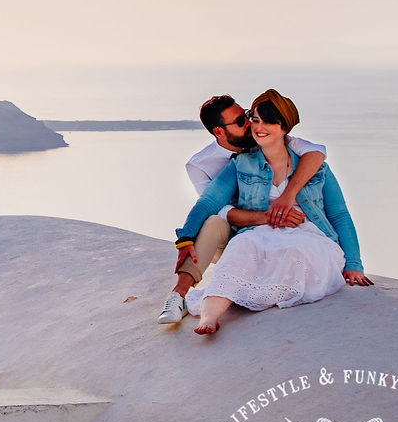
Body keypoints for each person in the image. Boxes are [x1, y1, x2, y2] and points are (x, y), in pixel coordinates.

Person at [174, 89, 372, 338]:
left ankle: (260, 292)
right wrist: (185, 238)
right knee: (242, 246)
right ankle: (209, 315)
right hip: (257, 231)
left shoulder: (315, 166)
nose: (257, 127)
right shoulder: (240, 163)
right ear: (220, 131)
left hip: (308, 234)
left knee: (295, 250)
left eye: (268, 121)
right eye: (255, 120)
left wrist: (354, 264)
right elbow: (208, 203)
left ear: (284, 128)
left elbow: (340, 214)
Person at [156, 95, 326, 325]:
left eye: (247, 116)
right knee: (214, 222)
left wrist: (288, 196)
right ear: (219, 132)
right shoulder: (199, 165)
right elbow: (215, 207)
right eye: (240, 122)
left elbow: (316, 152)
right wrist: (185, 237)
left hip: (274, 233)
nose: (250, 124)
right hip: (231, 237)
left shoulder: (261, 137)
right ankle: (178, 296)